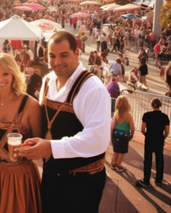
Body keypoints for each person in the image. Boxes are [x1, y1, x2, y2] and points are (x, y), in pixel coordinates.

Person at [18, 30, 111, 213]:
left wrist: (51, 148)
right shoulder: (48, 80)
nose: (57, 62)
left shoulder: (93, 88)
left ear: (77, 54)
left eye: (64, 55)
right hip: (52, 175)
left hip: (81, 184)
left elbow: (97, 139)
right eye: (52, 56)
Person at [0, 53, 42, 213]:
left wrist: (26, 149)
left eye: (6, 73)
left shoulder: (31, 105)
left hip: (19, 179)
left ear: (14, 74)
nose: (1, 79)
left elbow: (39, 148)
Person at [136, 98, 170, 188]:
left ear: (151, 105)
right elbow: (167, 131)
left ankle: (146, 180)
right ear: (160, 105)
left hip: (149, 139)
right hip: (159, 139)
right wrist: (163, 137)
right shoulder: (165, 117)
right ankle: (159, 180)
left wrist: (147, 134)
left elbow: (142, 129)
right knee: (159, 159)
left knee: (147, 159)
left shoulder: (146, 115)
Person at [111, 96, 135, 173]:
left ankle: (114, 164)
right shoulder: (128, 115)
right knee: (122, 151)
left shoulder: (116, 114)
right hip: (124, 135)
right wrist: (131, 135)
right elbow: (132, 127)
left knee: (116, 149)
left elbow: (113, 126)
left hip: (116, 134)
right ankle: (118, 164)